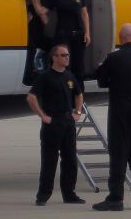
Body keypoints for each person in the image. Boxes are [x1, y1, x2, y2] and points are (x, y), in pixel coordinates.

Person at [92, 23, 131, 212]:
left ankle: (116, 198)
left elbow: (101, 81)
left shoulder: (114, 58)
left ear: (120, 36)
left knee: (119, 153)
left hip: (120, 108)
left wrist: (102, 68)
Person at [27, 44, 85, 206]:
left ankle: (69, 194)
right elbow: (31, 97)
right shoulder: (45, 77)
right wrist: (43, 116)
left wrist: (78, 112)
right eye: (63, 55)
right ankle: (43, 195)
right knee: (49, 161)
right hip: (52, 123)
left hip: (68, 122)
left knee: (70, 160)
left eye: (67, 55)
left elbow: (79, 95)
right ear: (54, 57)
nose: (67, 57)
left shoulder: (69, 76)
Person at [33, 0, 91, 89]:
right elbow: (41, 11)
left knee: (79, 65)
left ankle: (79, 93)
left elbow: (84, 14)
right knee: (63, 62)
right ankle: (64, 89)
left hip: (78, 33)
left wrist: (87, 32)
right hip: (62, 34)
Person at [23, 0, 49, 86]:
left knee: (55, 44)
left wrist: (36, 1)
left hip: (39, 36)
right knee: (31, 48)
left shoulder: (38, 8)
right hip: (27, 37)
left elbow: (45, 20)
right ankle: (28, 76)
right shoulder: (24, 6)